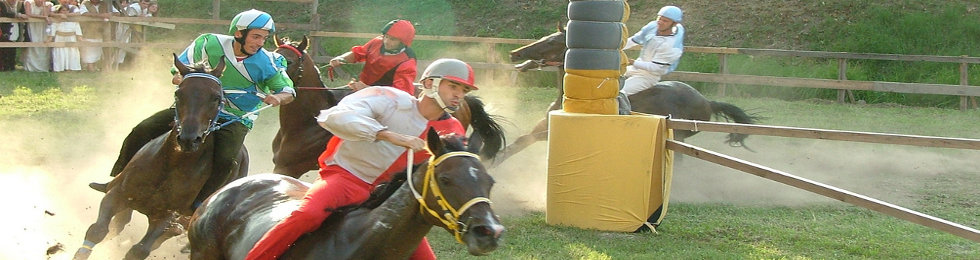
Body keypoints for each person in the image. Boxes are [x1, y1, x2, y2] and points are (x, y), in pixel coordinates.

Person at [245, 58, 478, 260]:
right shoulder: (388, 97)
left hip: (392, 199)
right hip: (345, 179)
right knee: (307, 214)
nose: (459, 94)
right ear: (429, 84)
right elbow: (334, 117)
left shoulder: (453, 128)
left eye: (464, 90)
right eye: (454, 86)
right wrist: (387, 135)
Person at [88, 9, 296, 210]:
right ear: (239, 33)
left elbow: (288, 90)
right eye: (256, 36)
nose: (260, 43)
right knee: (143, 129)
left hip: (235, 118)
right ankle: (116, 182)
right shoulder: (208, 43)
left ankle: (202, 203)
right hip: (195, 108)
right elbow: (181, 67)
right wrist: (180, 77)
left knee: (226, 158)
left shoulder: (269, 61)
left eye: (264, 38)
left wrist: (278, 97)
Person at [617, 5, 685, 115]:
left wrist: (632, 61)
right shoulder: (653, 26)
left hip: (649, 76)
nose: (660, 22)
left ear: (674, 24)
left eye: (665, 21)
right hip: (635, 68)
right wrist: (616, 48)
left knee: (619, 92)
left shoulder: (672, 47)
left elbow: (655, 68)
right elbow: (634, 40)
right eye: (659, 18)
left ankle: (623, 116)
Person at [329, 19, 418, 94]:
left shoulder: (407, 61)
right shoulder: (377, 42)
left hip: (382, 102)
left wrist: (368, 89)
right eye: (386, 37)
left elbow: (401, 94)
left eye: (392, 39)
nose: (386, 41)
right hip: (361, 89)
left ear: (403, 42)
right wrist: (342, 58)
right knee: (327, 96)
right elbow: (358, 54)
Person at [77, 0, 115, 71]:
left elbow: (116, 12)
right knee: (89, 49)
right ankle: (90, 67)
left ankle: (96, 67)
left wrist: (110, 14)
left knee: (97, 50)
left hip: (101, 31)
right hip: (88, 30)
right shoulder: (85, 3)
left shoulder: (104, 4)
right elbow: (84, 13)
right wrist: (101, 15)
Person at [48, 4, 82, 72]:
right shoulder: (56, 21)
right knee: (60, 53)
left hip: (71, 38)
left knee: (72, 53)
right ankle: (59, 68)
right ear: (59, 12)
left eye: (66, 11)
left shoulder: (73, 20)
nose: (65, 12)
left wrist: (80, 38)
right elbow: (53, 31)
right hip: (59, 38)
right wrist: (50, 39)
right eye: (63, 10)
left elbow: (78, 30)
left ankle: (71, 68)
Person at [21, 0, 51, 72]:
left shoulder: (49, 4)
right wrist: (43, 17)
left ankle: (43, 67)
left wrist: (44, 5)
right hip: (32, 26)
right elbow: (28, 14)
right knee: (33, 43)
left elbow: (46, 14)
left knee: (43, 45)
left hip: (42, 27)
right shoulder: (28, 3)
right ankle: (30, 67)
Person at [0, 0, 26, 71]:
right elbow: (4, 13)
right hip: (5, 29)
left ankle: (11, 66)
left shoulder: (20, 4)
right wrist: (17, 15)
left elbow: (24, 13)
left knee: (13, 48)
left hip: (16, 28)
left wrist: (21, 15)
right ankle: (4, 67)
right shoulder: (2, 3)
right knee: (4, 49)